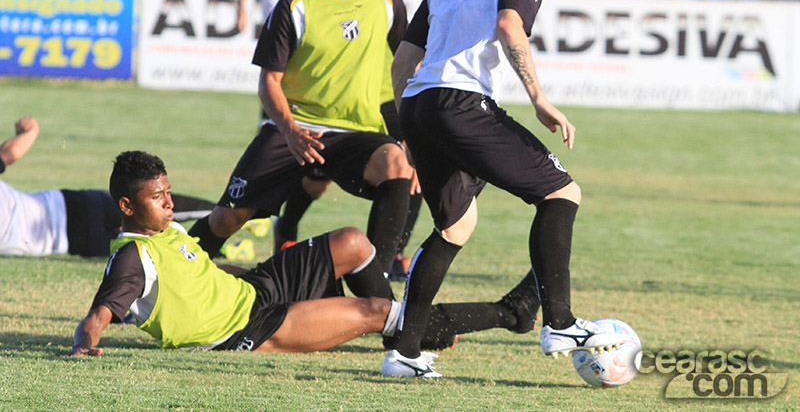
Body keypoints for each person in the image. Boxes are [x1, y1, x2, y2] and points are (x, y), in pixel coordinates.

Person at [382, 0, 625, 378]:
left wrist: (408, 131)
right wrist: (538, 98)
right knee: (561, 193)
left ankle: (404, 354)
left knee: (455, 227)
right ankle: (560, 322)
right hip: (461, 105)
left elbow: (401, 63)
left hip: (419, 106)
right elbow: (510, 24)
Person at [69, 150, 541, 357]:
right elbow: (97, 315)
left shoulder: (166, 231)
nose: (169, 202)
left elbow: (199, 273)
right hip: (245, 329)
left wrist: (246, 276)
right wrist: (84, 349)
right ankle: (510, 313)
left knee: (354, 241)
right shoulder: (131, 257)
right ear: (128, 206)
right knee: (376, 309)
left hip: (256, 290)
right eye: (158, 197)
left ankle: (404, 330)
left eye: (168, 191)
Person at [188, 0, 414, 276]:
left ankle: (378, 284)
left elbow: (408, 68)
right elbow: (269, 82)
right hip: (298, 130)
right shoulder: (294, 5)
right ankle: (166, 279)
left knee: (397, 165)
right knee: (227, 219)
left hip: (358, 131)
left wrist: (409, 137)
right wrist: (291, 131)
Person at [269, 0, 418, 280]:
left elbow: (406, 43)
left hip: (385, 95)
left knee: (408, 168)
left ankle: (388, 260)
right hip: (326, 104)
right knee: (317, 178)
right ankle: (287, 226)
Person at [0, 117, 214, 258]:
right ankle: (227, 214)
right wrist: (29, 132)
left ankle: (224, 222)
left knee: (158, 240)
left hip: (75, 236)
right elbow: (7, 155)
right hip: (72, 209)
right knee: (160, 215)